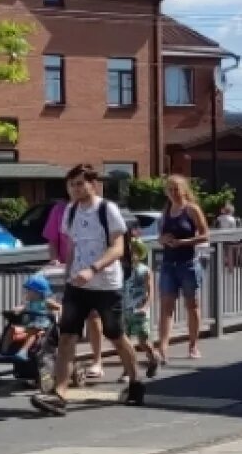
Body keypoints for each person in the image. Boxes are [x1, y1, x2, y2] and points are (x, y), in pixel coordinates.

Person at [30, 164, 145, 416]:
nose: (76, 189)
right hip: (77, 285)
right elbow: (71, 247)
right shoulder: (70, 211)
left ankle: (136, 380)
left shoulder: (107, 209)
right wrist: (67, 277)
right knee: (67, 336)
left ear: (93, 184)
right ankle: (59, 394)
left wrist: (93, 269)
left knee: (115, 334)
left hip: (106, 284)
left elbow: (118, 248)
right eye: (72, 185)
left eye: (81, 184)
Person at [44, 194, 105, 380]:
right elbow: (53, 239)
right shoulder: (61, 210)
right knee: (67, 319)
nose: (76, 189)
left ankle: (97, 360)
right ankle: (65, 367)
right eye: (72, 185)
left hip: (91, 270)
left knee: (94, 317)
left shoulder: (100, 209)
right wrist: (54, 259)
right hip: (68, 270)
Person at [156, 175, 210, 362]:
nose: (173, 193)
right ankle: (163, 347)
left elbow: (205, 235)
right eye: (169, 189)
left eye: (176, 189)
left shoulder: (192, 210)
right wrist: (163, 240)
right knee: (166, 307)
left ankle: (193, 345)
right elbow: (159, 236)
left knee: (192, 305)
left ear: (184, 190)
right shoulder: (166, 211)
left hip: (188, 263)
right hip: (168, 264)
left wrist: (184, 242)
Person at [121, 236, 160, 382]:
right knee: (125, 342)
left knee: (143, 341)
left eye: (133, 253)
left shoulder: (145, 271)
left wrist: (145, 306)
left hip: (139, 310)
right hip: (124, 310)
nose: (130, 256)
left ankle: (153, 358)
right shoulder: (122, 270)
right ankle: (127, 370)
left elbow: (150, 292)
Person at [0, 273, 61, 360]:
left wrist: (55, 312)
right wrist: (15, 310)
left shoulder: (45, 302)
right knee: (11, 329)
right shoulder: (29, 303)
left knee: (33, 331)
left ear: (37, 292)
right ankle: (3, 353)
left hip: (41, 328)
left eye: (29, 290)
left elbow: (59, 307)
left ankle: (23, 352)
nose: (26, 292)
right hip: (29, 326)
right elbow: (21, 308)